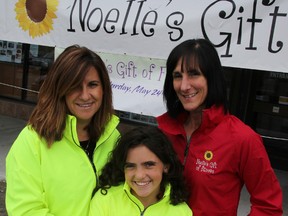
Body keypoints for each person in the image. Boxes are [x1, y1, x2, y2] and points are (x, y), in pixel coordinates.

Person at [156, 38, 283, 215]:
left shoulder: (242, 139)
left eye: (194, 74)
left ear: (211, 78)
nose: (184, 86)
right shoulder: (163, 131)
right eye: (177, 76)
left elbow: (268, 206)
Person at [6, 45, 120, 216]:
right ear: (60, 89)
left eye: (92, 84)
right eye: (75, 86)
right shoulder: (31, 142)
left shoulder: (113, 137)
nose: (85, 95)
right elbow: (26, 210)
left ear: (104, 89)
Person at [89, 126, 192, 216]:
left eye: (148, 165)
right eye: (130, 166)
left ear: (166, 166)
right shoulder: (105, 199)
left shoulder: (182, 212)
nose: (139, 175)